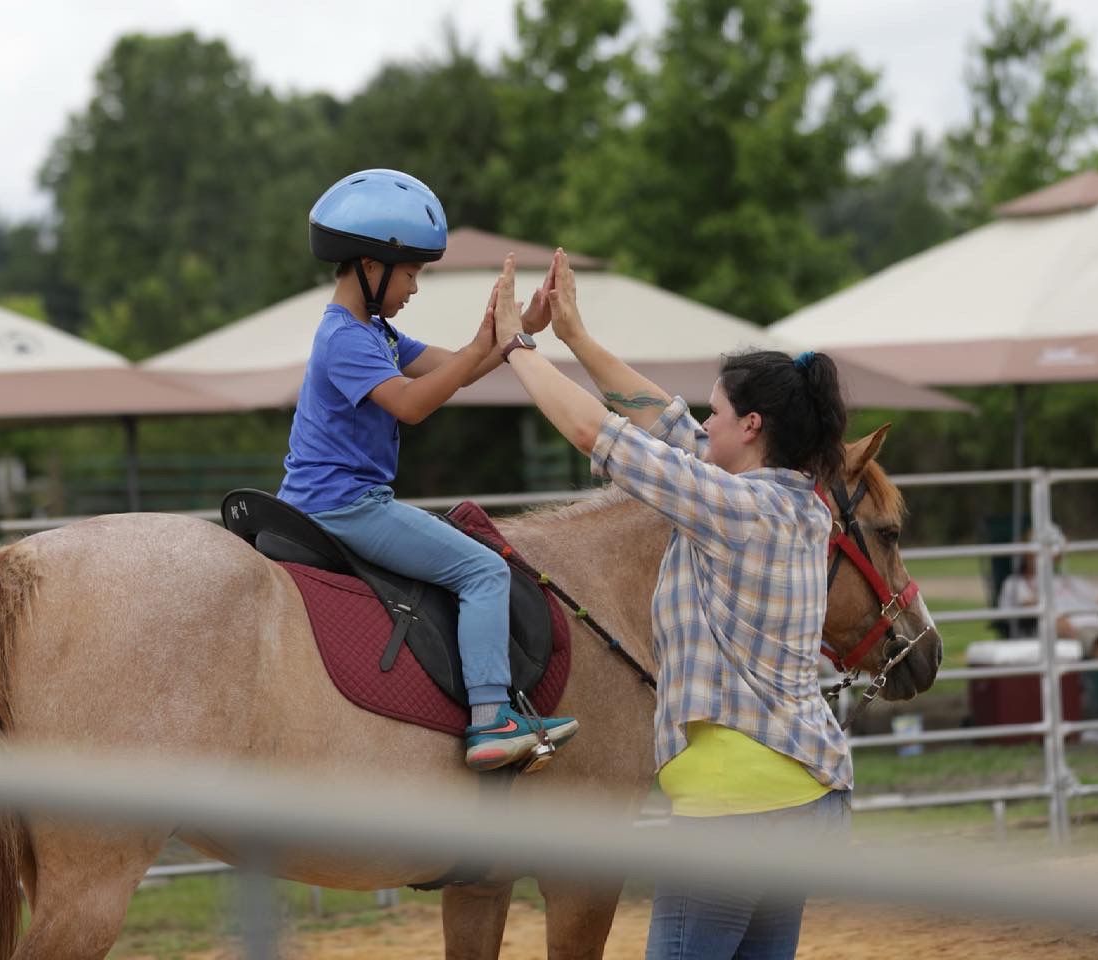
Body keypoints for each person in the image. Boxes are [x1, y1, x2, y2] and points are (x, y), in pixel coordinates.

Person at [490, 249, 851, 960]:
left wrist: (515, 348)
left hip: (733, 812)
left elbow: (598, 434)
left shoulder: (729, 505)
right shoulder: (797, 503)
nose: (703, 424)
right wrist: (577, 339)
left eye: (717, 413)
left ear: (751, 426)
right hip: (806, 797)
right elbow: (663, 421)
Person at [277, 168, 577, 771]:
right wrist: (483, 344)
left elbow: (460, 369)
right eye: (411, 272)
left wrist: (520, 333)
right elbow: (414, 405)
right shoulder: (345, 339)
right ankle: (492, 718)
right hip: (344, 507)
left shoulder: (376, 333)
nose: (414, 287)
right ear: (370, 266)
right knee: (485, 570)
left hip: (340, 501)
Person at [998, 535, 1098, 715]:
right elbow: (1029, 608)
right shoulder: (1015, 584)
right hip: (1075, 632)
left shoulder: (1070, 581)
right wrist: (1057, 620)